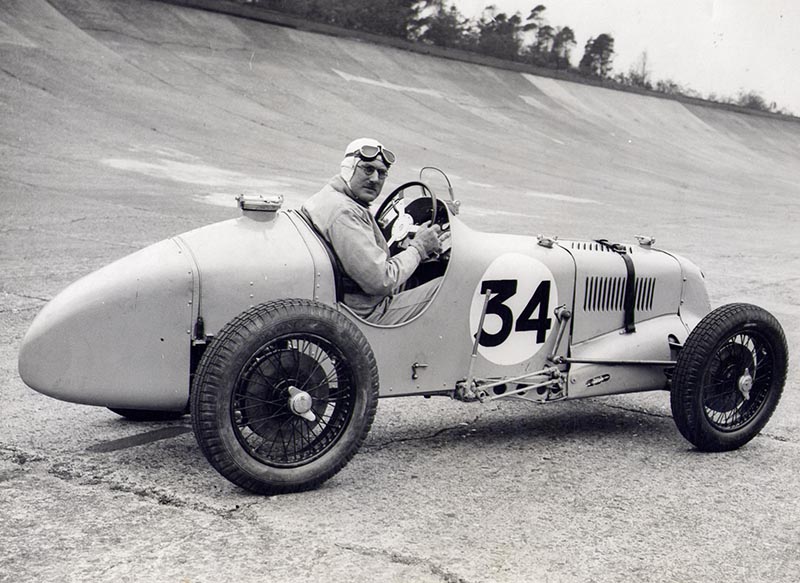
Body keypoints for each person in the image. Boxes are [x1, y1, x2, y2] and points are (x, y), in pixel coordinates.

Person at [302, 138, 448, 325]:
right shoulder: (345, 213)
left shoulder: (331, 197)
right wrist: (419, 247)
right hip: (366, 313)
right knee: (449, 287)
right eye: (368, 169)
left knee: (419, 276)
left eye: (382, 173)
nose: (374, 179)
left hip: (347, 296)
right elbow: (381, 280)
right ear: (349, 168)